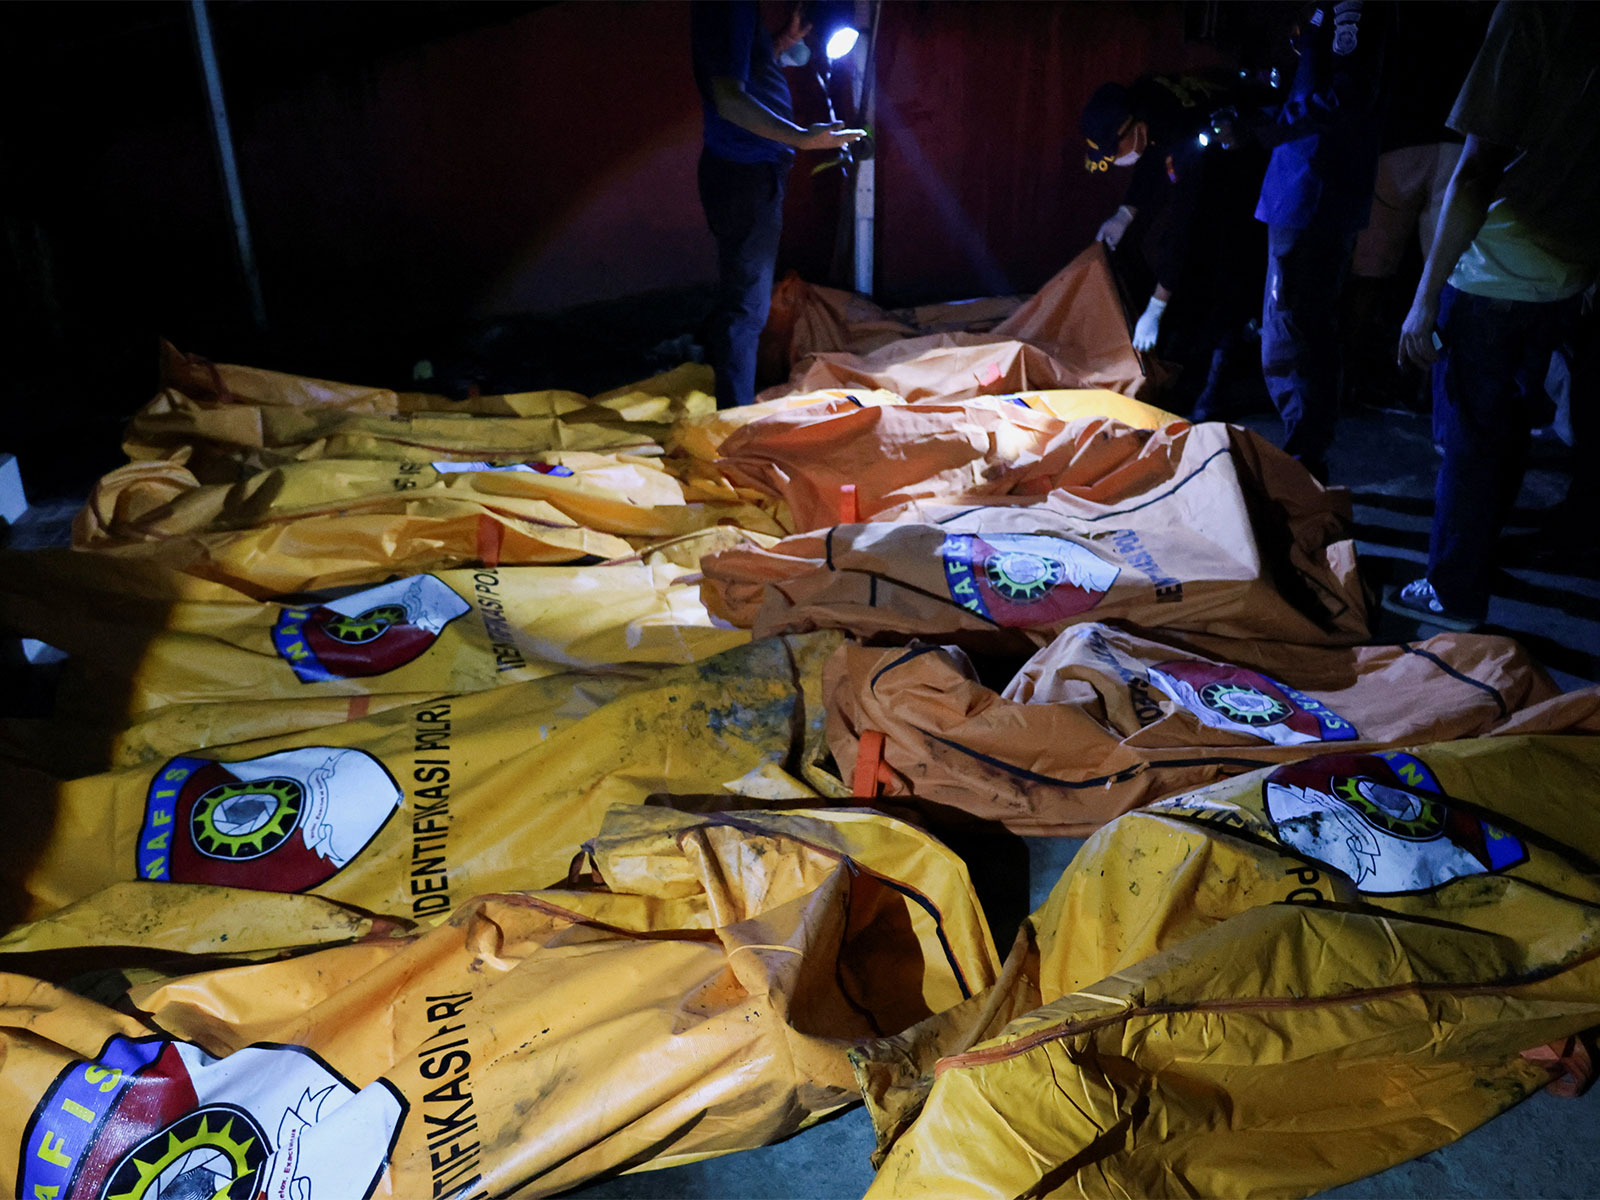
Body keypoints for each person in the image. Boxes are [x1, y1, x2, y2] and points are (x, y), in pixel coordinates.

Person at [1390, 1, 1600, 628]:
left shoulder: (1533, 13)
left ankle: (1453, 588)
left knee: (1472, 439)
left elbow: (1478, 166)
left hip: (1496, 268)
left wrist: (1424, 298)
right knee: (1508, 431)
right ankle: (1477, 560)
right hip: (1569, 274)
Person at [691, 1, 864, 409]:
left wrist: (779, 44)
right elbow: (728, 99)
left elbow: (739, 69)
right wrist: (801, 137)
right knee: (746, 308)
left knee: (745, 300)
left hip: (750, 170)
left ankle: (734, 408)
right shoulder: (726, 8)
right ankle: (734, 419)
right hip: (744, 173)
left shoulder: (738, 10)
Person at [1249, 0, 1392, 482]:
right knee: (1299, 326)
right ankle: (1305, 457)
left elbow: (1348, 94)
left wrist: (1274, 126)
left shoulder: (1351, 8)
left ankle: (1303, 464)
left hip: (1312, 189)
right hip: (1304, 185)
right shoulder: (1327, 8)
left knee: (1292, 330)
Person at [1081, 74, 1269, 419]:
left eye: (1114, 149)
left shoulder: (1180, 133)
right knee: (1183, 261)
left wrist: (1156, 307)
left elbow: (1186, 223)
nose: (1114, 158)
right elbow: (1151, 158)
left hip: (1248, 169)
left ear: (1132, 129)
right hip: (1213, 158)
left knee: (1225, 269)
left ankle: (1213, 393)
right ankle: (1188, 359)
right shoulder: (1139, 102)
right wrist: (1125, 213)